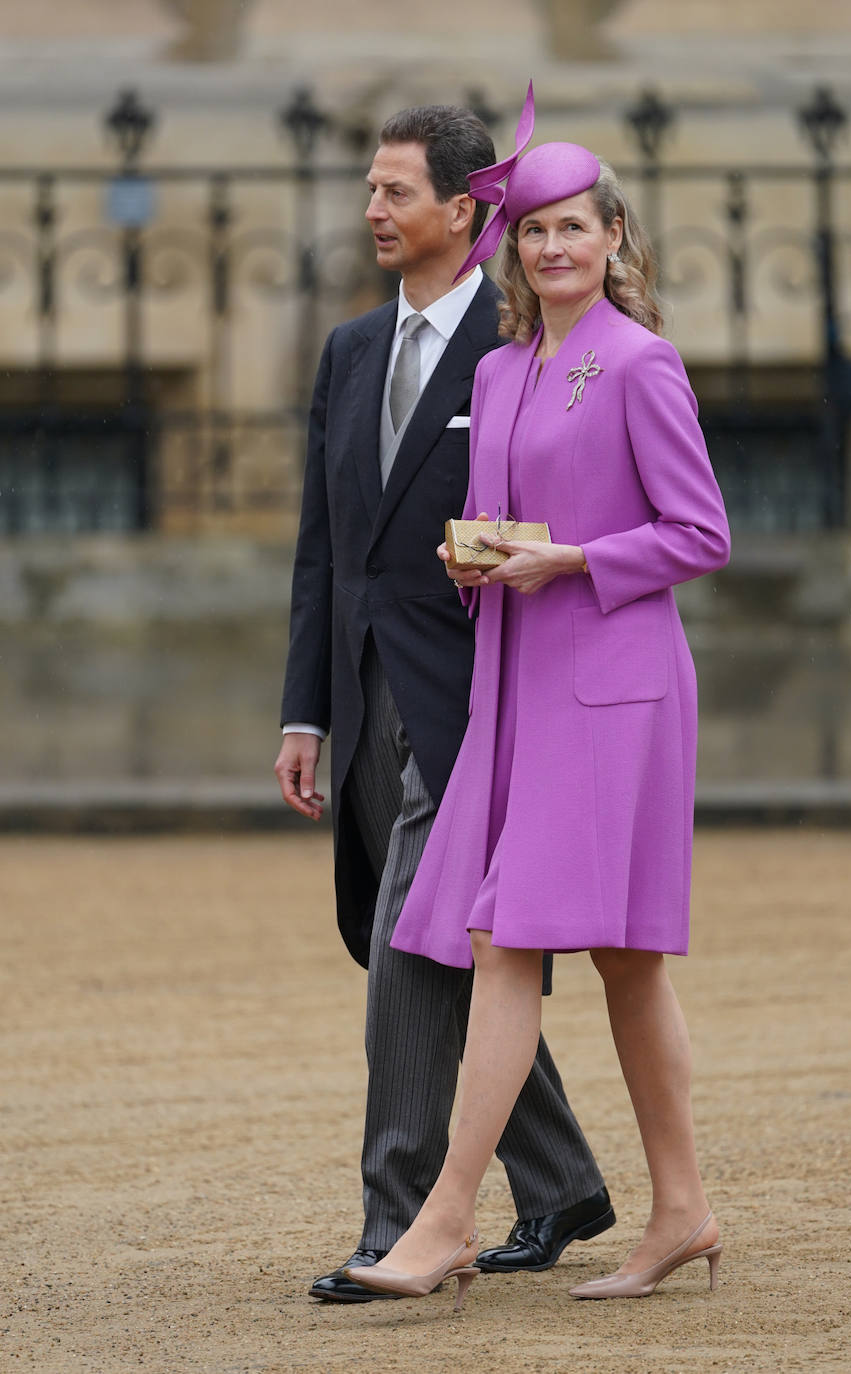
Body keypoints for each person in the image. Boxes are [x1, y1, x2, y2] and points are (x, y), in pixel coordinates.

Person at [347, 85, 731, 1308]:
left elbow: (700, 533)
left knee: (507, 937)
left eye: (575, 226)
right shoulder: (504, 370)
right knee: (620, 962)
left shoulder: (641, 363)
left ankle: (443, 1219)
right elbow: (496, 520)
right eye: (535, 230)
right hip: (518, 684)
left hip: (615, 688)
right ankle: (680, 1210)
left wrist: (569, 561)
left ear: (614, 236)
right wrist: (476, 558)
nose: (554, 246)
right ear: (510, 245)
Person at [274, 100, 613, 1304]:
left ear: (464, 209)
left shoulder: (521, 345)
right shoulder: (348, 349)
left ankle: (402, 1220)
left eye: (394, 191)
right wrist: (305, 712)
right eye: (370, 188)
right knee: (425, 941)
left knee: (410, 954)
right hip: (365, 689)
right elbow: (325, 550)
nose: (371, 208)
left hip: (484, 696)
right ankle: (562, 1181)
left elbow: (577, 504)